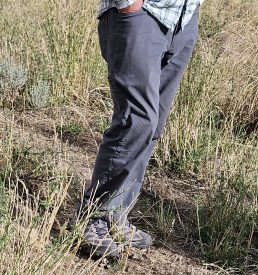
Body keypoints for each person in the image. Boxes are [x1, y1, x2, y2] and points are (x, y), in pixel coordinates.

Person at [79, 0, 202, 260]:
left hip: (183, 17)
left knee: (152, 124)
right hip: (142, 13)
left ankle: (116, 216)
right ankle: (93, 218)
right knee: (136, 120)